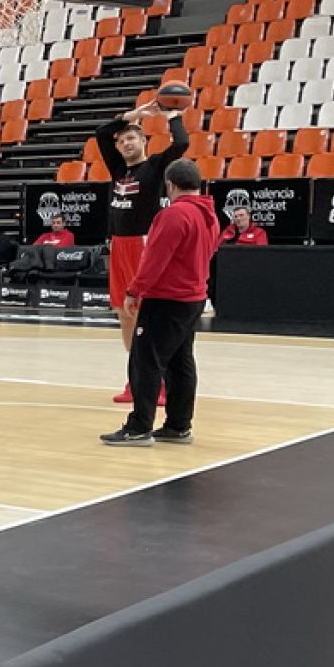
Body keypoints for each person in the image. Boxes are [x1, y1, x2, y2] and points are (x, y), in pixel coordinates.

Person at [101, 160, 219, 447]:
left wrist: (134, 290)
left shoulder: (173, 215)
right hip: (193, 297)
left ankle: (139, 427)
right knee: (180, 363)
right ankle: (178, 425)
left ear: (170, 185)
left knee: (145, 361)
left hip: (166, 298)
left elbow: (154, 258)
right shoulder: (210, 216)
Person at [95, 102, 189, 404]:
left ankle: (155, 382)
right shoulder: (118, 169)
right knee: (124, 315)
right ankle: (135, 380)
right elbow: (101, 133)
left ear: (144, 141)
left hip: (144, 244)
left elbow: (182, 143)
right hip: (119, 245)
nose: (126, 143)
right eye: (122, 140)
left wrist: (172, 115)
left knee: (145, 314)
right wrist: (131, 116)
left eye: (132, 137)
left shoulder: (156, 166)